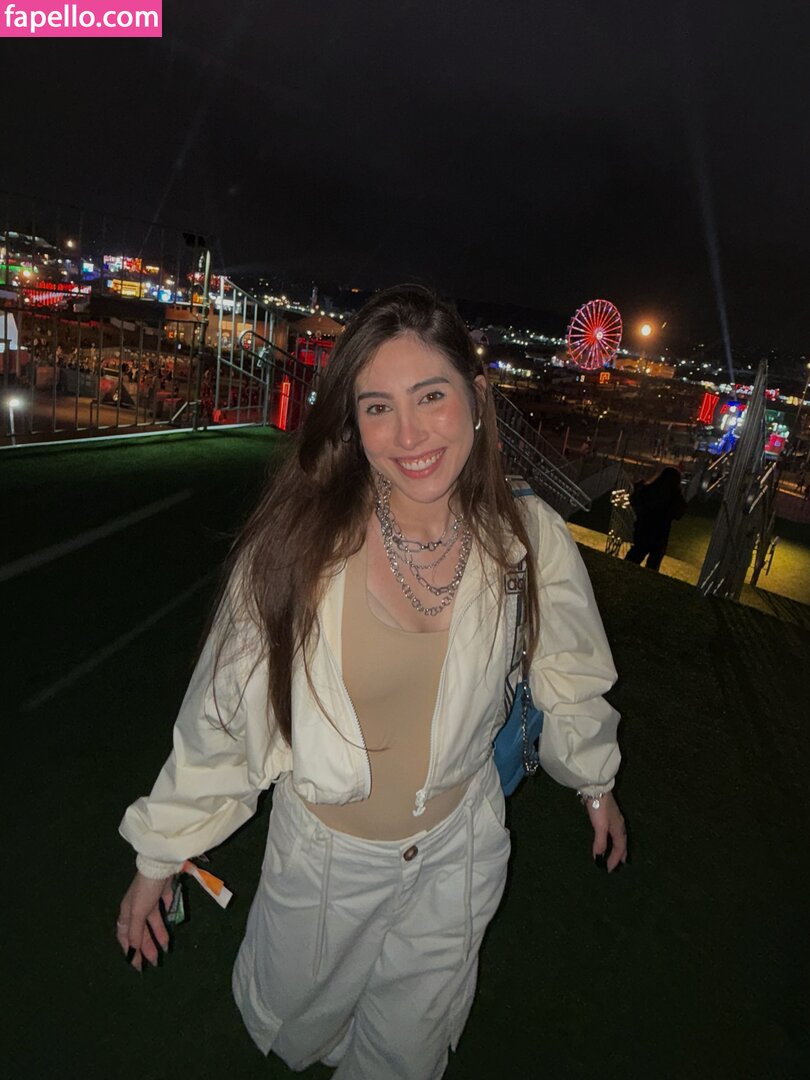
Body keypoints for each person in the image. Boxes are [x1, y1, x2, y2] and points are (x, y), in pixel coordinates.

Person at [116, 285, 626, 1078]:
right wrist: (159, 854)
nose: (409, 434)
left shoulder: (527, 538)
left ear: (477, 397)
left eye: (431, 396)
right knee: (302, 1027)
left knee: (406, 1054)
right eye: (378, 407)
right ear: (351, 422)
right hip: (326, 861)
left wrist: (595, 780)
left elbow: (568, 668)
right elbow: (224, 719)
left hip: (460, 848)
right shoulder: (296, 551)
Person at [625, 465, 686, 571]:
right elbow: (678, 514)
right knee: (653, 563)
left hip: (643, 529)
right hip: (660, 534)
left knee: (635, 555)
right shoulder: (674, 497)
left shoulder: (649, 490)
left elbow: (635, 501)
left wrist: (637, 489)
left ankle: (624, 571)